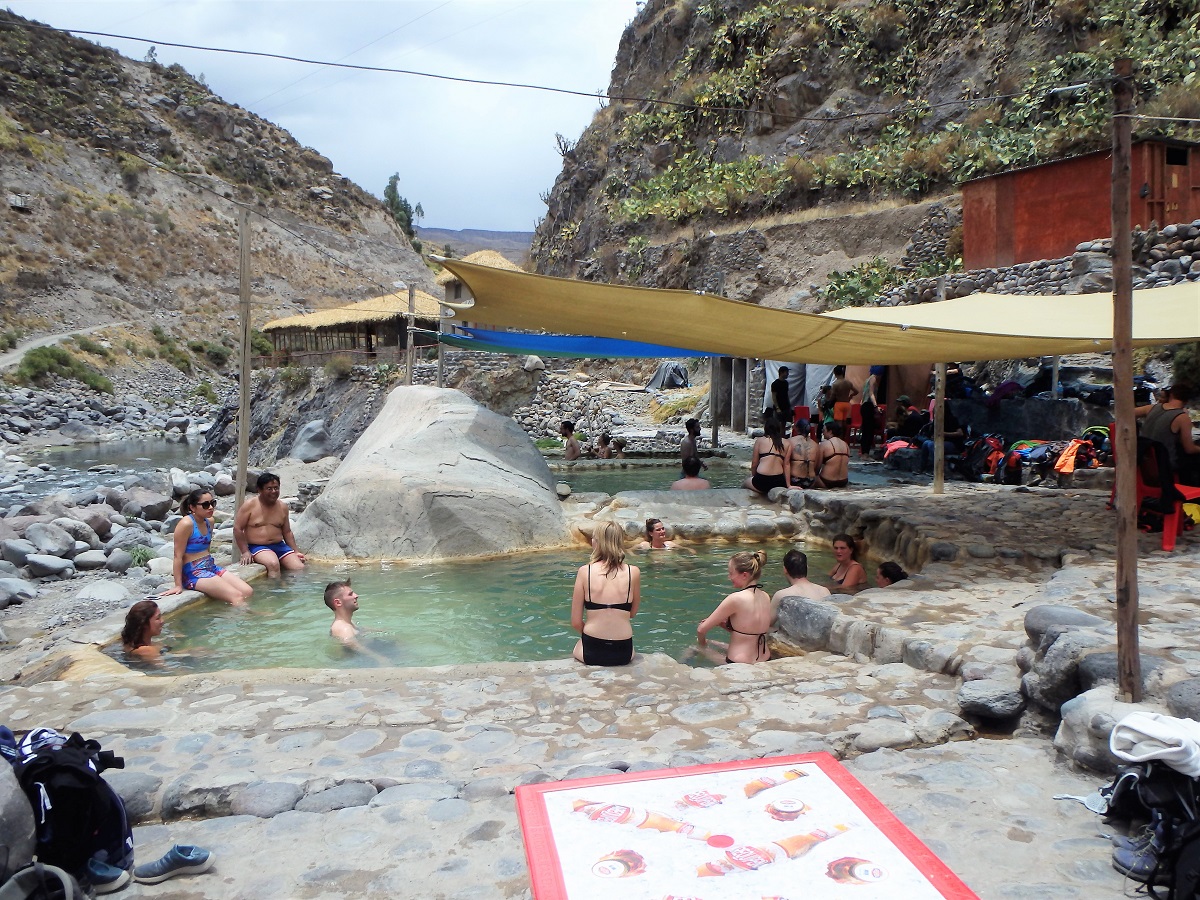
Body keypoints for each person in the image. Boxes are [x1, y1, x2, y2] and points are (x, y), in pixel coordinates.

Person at [163, 490, 253, 605]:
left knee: (247, 591)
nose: (210, 507)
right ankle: (246, 619)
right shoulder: (186, 524)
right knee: (236, 596)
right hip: (193, 572)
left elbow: (207, 548)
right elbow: (177, 556)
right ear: (192, 507)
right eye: (205, 505)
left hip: (210, 567)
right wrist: (178, 585)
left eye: (212, 503)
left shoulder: (209, 521)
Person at [571, 521, 641, 666]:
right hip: (623, 653)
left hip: (592, 650)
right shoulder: (633, 572)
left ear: (598, 542)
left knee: (578, 645)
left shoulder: (585, 572)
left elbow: (576, 622)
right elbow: (632, 613)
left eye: (594, 538)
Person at [697, 550, 772, 664]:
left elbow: (701, 629)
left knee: (694, 648)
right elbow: (750, 631)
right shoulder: (765, 596)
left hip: (739, 663)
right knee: (712, 642)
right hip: (765, 659)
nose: (729, 577)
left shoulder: (735, 599)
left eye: (731, 573)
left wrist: (702, 646)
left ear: (744, 575)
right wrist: (725, 626)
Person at [234, 472, 306, 577]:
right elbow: (238, 529)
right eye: (269, 489)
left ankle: (290, 591)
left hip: (279, 545)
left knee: (299, 568)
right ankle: (275, 592)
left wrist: (295, 551)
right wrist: (245, 552)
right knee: (273, 564)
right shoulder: (250, 505)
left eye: (276, 488)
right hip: (257, 546)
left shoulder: (282, 507)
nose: (274, 491)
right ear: (259, 490)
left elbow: (287, 531)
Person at [1136, 383, 1200, 485]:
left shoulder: (1151, 408)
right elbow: (1189, 449)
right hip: (1164, 468)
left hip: (1143, 463)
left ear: (1171, 395)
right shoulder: (1182, 418)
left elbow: (1128, 413)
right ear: (1187, 400)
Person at [770, 550, 831, 619]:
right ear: (807, 567)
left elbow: (767, 624)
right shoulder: (824, 591)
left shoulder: (781, 595)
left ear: (785, 570)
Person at [744, 415, 791, 495]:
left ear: (766, 428)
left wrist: (754, 476)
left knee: (745, 483)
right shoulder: (787, 443)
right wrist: (788, 485)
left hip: (762, 480)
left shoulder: (760, 441)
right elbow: (786, 465)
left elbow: (754, 464)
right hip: (778, 481)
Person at [919, 401, 966, 475]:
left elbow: (960, 433)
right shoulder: (937, 420)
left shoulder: (952, 419)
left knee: (932, 445)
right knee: (926, 443)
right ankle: (922, 469)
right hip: (940, 442)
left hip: (953, 444)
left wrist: (944, 434)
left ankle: (937, 469)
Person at [814, 421, 850, 488]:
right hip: (843, 481)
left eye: (824, 430)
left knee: (811, 477)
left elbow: (817, 468)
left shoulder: (824, 445)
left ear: (830, 432)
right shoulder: (845, 445)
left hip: (826, 481)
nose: (822, 432)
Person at [324, 580, 361, 647]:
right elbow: (360, 650)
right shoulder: (344, 629)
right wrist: (383, 658)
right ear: (338, 602)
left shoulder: (348, 623)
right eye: (350, 594)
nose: (356, 596)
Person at [860, 365, 883, 457]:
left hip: (864, 405)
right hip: (868, 405)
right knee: (868, 431)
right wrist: (876, 406)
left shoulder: (867, 379)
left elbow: (863, 395)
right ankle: (865, 454)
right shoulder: (873, 379)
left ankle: (864, 453)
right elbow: (871, 393)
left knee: (866, 430)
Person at [828, 365, 859, 433]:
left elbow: (832, 396)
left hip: (839, 404)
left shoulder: (835, 384)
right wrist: (850, 396)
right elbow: (856, 391)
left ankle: (839, 437)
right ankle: (845, 437)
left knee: (838, 423)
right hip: (847, 404)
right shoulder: (848, 383)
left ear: (835, 373)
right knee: (845, 422)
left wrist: (828, 402)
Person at [789, 419, 818, 488]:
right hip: (811, 480)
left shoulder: (790, 441)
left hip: (795, 479)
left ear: (797, 428)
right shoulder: (815, 444)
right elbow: (816, 466)